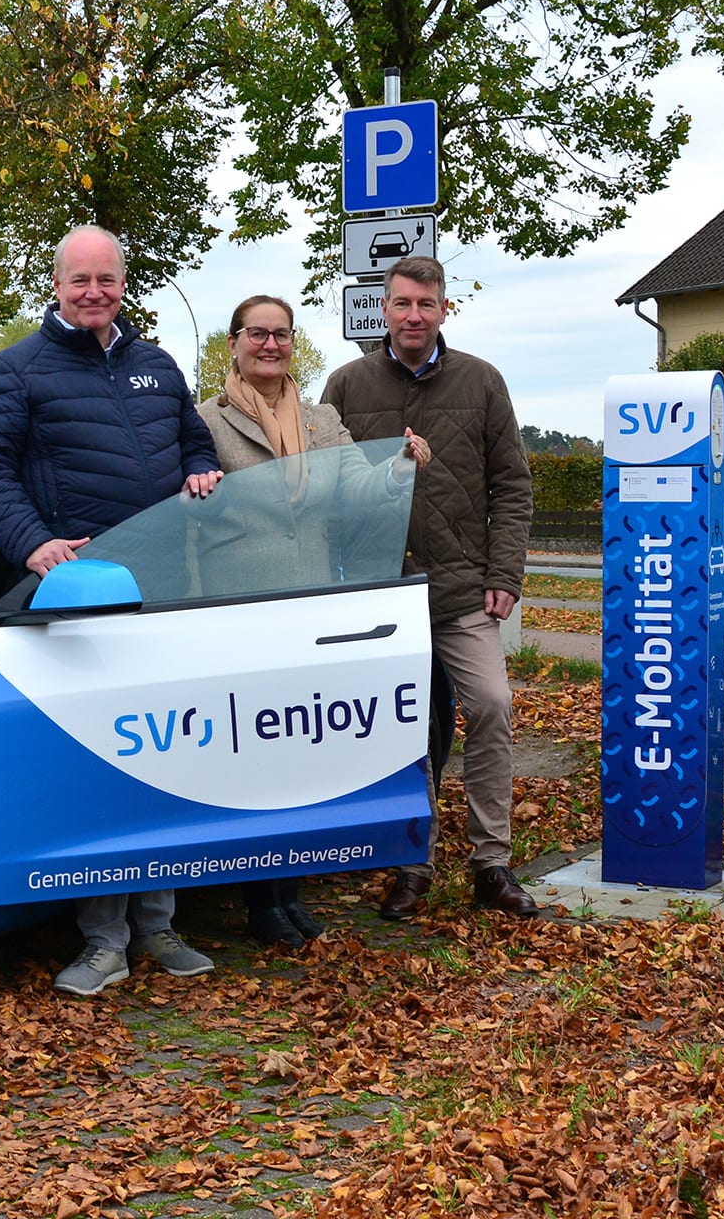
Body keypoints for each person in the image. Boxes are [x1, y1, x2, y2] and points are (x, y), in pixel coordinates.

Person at [0, 224, 223, 996]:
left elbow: (194, 443)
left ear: (122, 282)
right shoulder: (16, 370)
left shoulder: (157, 366)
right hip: (81, 605)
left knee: (169, 758)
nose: (96, 292)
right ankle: (103, 940)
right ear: (56, 284)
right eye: (81, 281)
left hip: (165, 597)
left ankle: (160, 927)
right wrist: (33, 543)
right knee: (100, 768)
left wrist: (202, 472)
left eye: (107, 279)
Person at [196, 294, 430, 947]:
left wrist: (399, 468)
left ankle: (290, 891)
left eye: (282, 335)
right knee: (252, 760)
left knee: (297, 758)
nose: (270, 345)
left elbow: (356, 488)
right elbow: (190, 507)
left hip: (311, 612)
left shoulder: (323, 421)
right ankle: (261, 901)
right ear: (234, 342)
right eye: (256, 334)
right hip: (238, 612)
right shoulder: (205, 422)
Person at [319, 255, 537, 920]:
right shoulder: (347, 385)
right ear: (382, 309)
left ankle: (491, 864)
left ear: (443, 310)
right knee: (407, 731)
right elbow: (323, 489)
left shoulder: (482, 380)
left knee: (493, 706)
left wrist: (504, 575)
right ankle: (410, 865)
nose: (414, 316)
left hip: (460, 592)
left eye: (426, 305)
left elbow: (513, 485)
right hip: (381, 597)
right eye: (402, 303)